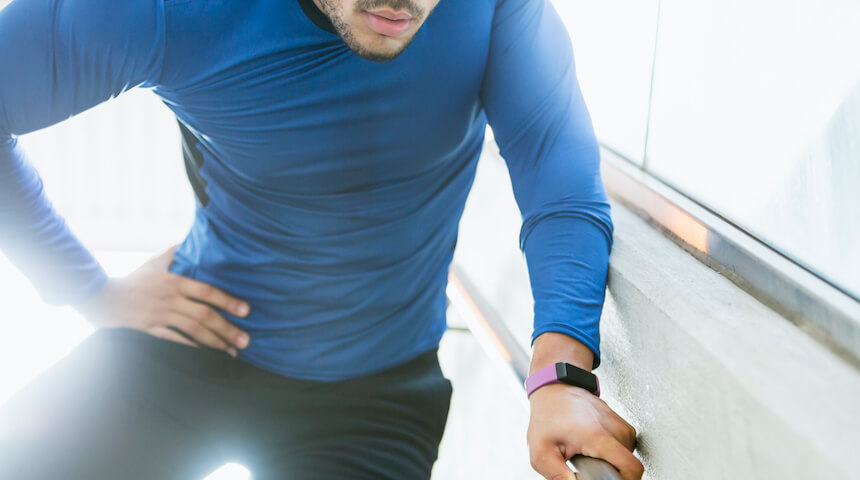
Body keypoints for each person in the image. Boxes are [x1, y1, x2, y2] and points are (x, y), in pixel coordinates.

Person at [0, 0, 643, 477]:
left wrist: (559, 377)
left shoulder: (496, 9)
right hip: (187, 349)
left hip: (373, 400)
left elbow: (559, 181)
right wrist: (84, 289)